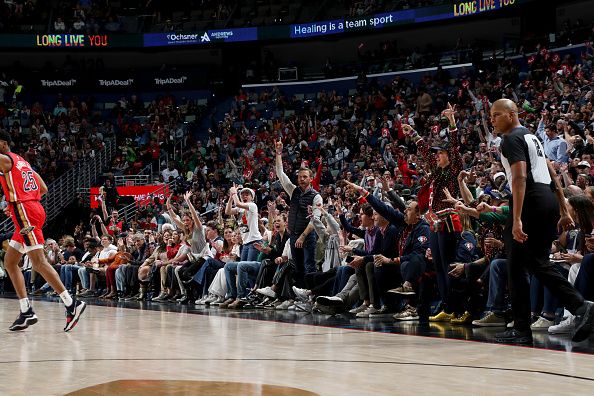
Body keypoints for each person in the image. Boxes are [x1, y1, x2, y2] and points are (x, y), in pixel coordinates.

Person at [491, 98, 594, 344]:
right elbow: (550, 171)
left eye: (496, 115)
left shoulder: (511, 139)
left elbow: (519, 178)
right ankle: (581, 307)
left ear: (511, 114)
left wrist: (516, 218)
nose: (492, 120)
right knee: (537, 263)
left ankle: (522, 328)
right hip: (546, 198)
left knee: (515, 266)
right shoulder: (532, 137)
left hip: (529, 201)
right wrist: (562, 207)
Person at [0, 130, 86, 331]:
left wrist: (21, 201)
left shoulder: (5, 160)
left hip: (26, 212)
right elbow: (44, 188)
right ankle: (26, 310)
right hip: (31, 209)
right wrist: (21, 197)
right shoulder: (23, 162)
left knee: (38, 261)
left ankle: (71, 303)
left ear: (3, 143)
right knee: (10, 261)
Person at [275, 138, 322, 287]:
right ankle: (299, 296)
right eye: (299, 177)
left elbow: (315, 220)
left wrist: (302, 236)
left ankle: (311, 295)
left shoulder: (316, 196)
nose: (301, 179)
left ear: (311, 178)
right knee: (298, 268)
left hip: (307, 236)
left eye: (305, 177)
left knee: (309, 267)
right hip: (294, 235)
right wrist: (278, 153)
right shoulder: (293, 191)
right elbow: (280, 173)